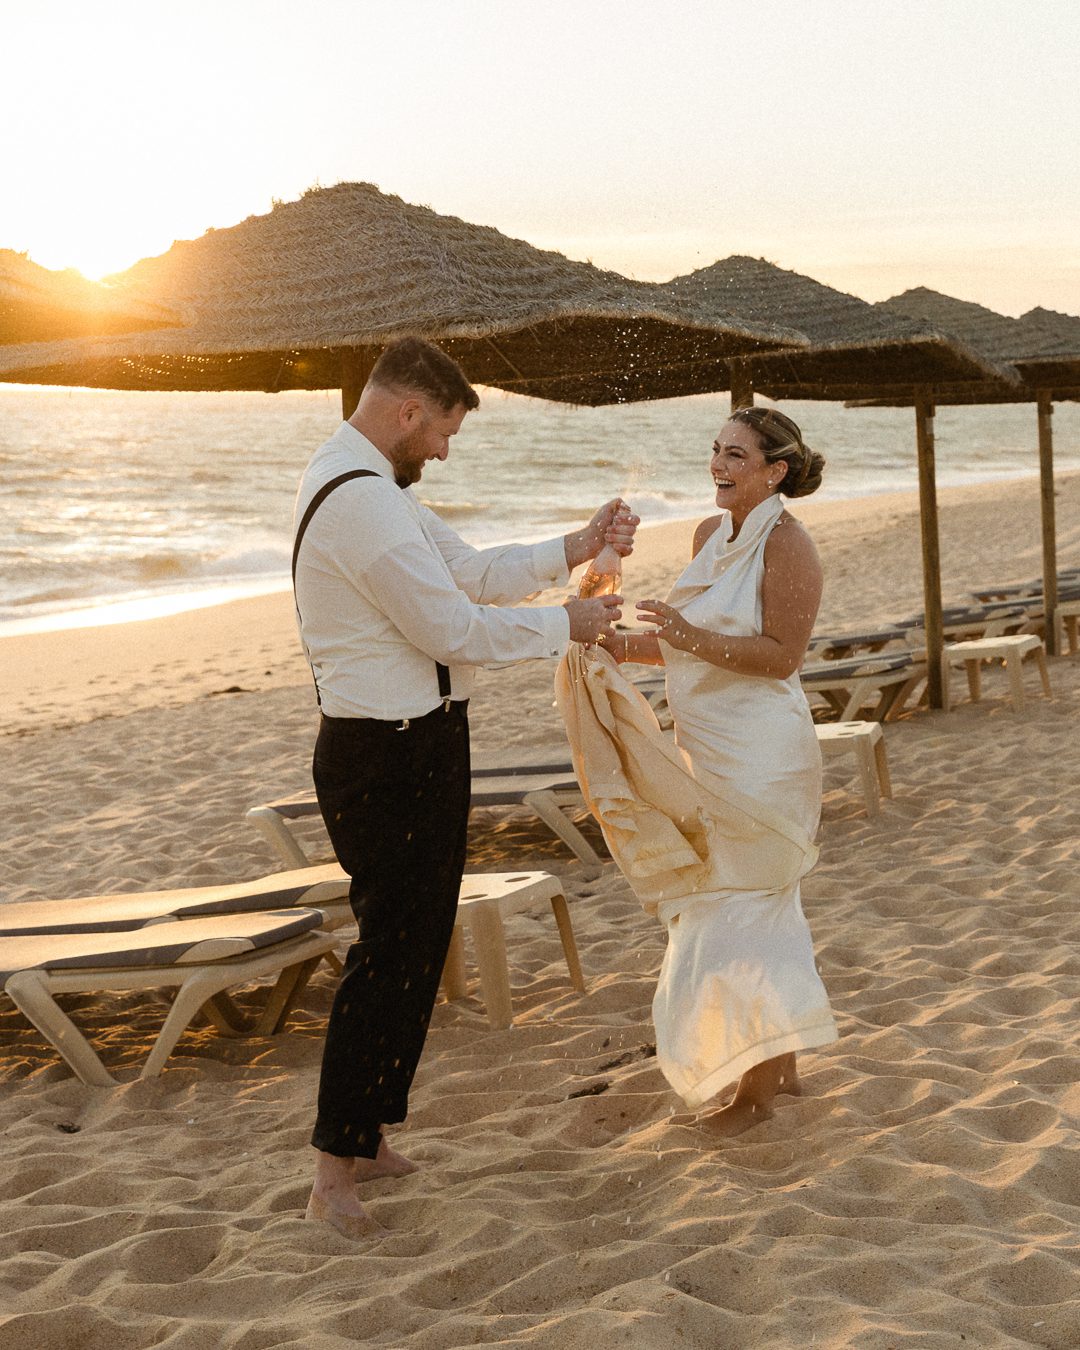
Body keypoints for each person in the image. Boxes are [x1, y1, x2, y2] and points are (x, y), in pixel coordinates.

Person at [292, 337, 636, 1236]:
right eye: (443, 432)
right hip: (382, 754)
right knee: (387, 955)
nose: (444, 451)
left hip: (427, 742)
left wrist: (580, 544)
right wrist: (572, 623)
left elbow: (473, 572)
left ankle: (367, 1136)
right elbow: (452, 628)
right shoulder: (359, 501)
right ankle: (332, 1172)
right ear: (409, 413)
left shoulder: (378, 487)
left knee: (417, 946)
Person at [608, 406, 838, 1137]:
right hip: (705, 751)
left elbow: (781, 657)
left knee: (740, 910)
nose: (719, 464)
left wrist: (685, 634)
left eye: (736, 454)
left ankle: (758, 1091)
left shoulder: (790, 547)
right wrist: (620, 648)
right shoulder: (709, 535)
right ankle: (784, 1063)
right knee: (755, 907)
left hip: (764, 758)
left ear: (775, 471)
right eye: (715, 450)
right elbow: (686, 647)